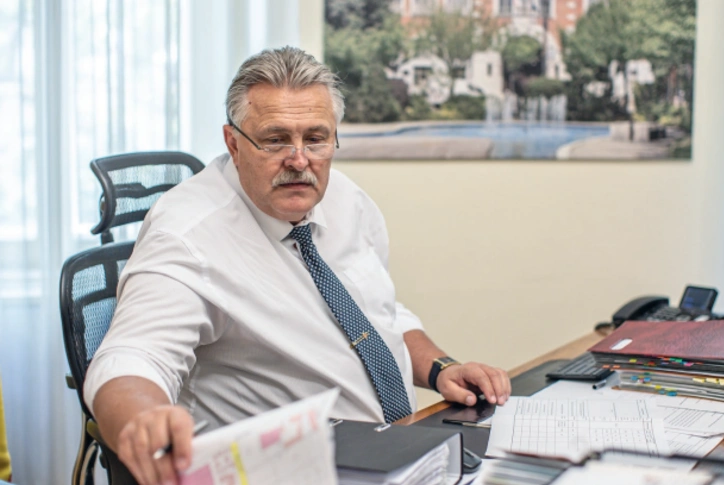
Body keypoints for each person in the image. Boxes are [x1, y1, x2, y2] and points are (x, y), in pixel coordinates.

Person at [84, 46, 511, 485]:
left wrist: (442, 368)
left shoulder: (346, 200)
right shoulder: (188, 235)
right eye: (275, 139)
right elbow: (132, 357)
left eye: (316, 138)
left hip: (401, 451)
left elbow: (379, 313)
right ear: (233, 143)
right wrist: (144, 419)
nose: (299, 160)